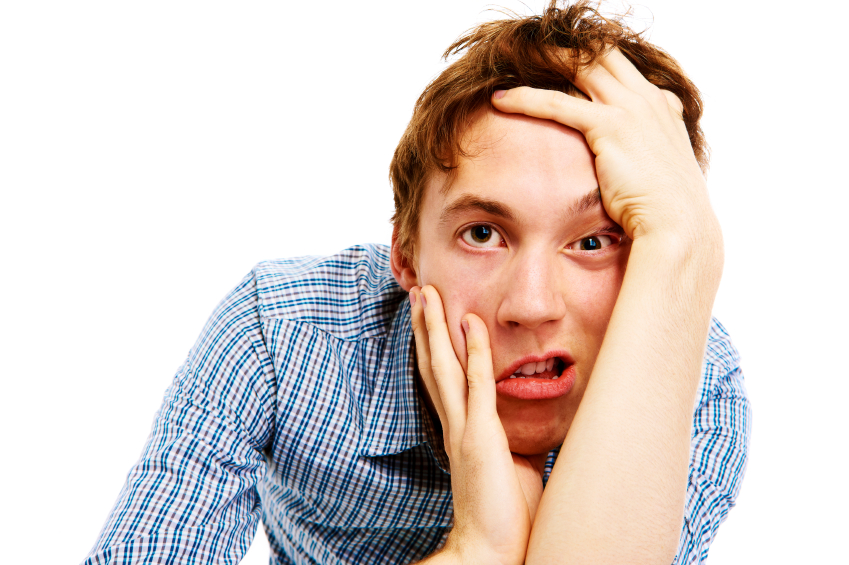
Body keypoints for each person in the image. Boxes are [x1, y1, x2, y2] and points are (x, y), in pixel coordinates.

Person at [80, 1, 750, 563]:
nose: (531, 305)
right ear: (404, 253)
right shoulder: (282, 332)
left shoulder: (701, 386)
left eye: (594, 241)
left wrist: (683, 246)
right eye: (482, 233)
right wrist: (475, 550)